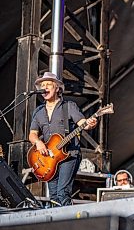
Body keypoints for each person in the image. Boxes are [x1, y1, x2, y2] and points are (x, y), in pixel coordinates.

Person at [28, 72, 97, 206]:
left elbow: (83, 122)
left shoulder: (69, 106)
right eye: (42, 85)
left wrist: (90, 123)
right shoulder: (38, 111)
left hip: (69, 155)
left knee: (62, 192)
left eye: (48, 84)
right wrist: (38, 143)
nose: (45, 88)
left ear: (57, 88)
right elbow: (32, 134)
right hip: (49, 159)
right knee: (53, 196)